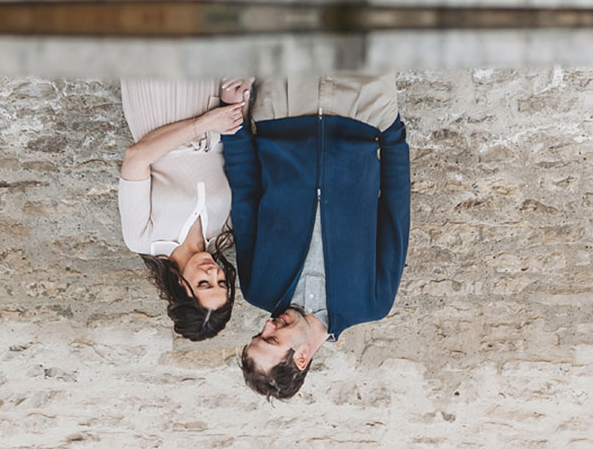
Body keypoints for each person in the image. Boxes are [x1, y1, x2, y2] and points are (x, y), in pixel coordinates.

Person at [224, 73, 411, 399]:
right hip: (362, 114)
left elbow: (246, 197)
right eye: (272, 339)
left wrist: (235, 130)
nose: (268, 325)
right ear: (301, 357)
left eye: (260, 333)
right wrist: (392, 134)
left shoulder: (257, 288)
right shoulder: (372, 302)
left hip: (281, 110)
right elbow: (395, 213)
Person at [120, 79, 249, 340]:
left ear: (181, 286)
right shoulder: (226, 232)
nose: (213, 272)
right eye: (221, 282)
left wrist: (202, 124)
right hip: (210, 98)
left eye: (204, 284)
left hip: (159, 106)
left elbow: (136, 157)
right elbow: (238, 155)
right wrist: (235, 104)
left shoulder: (142, 238)